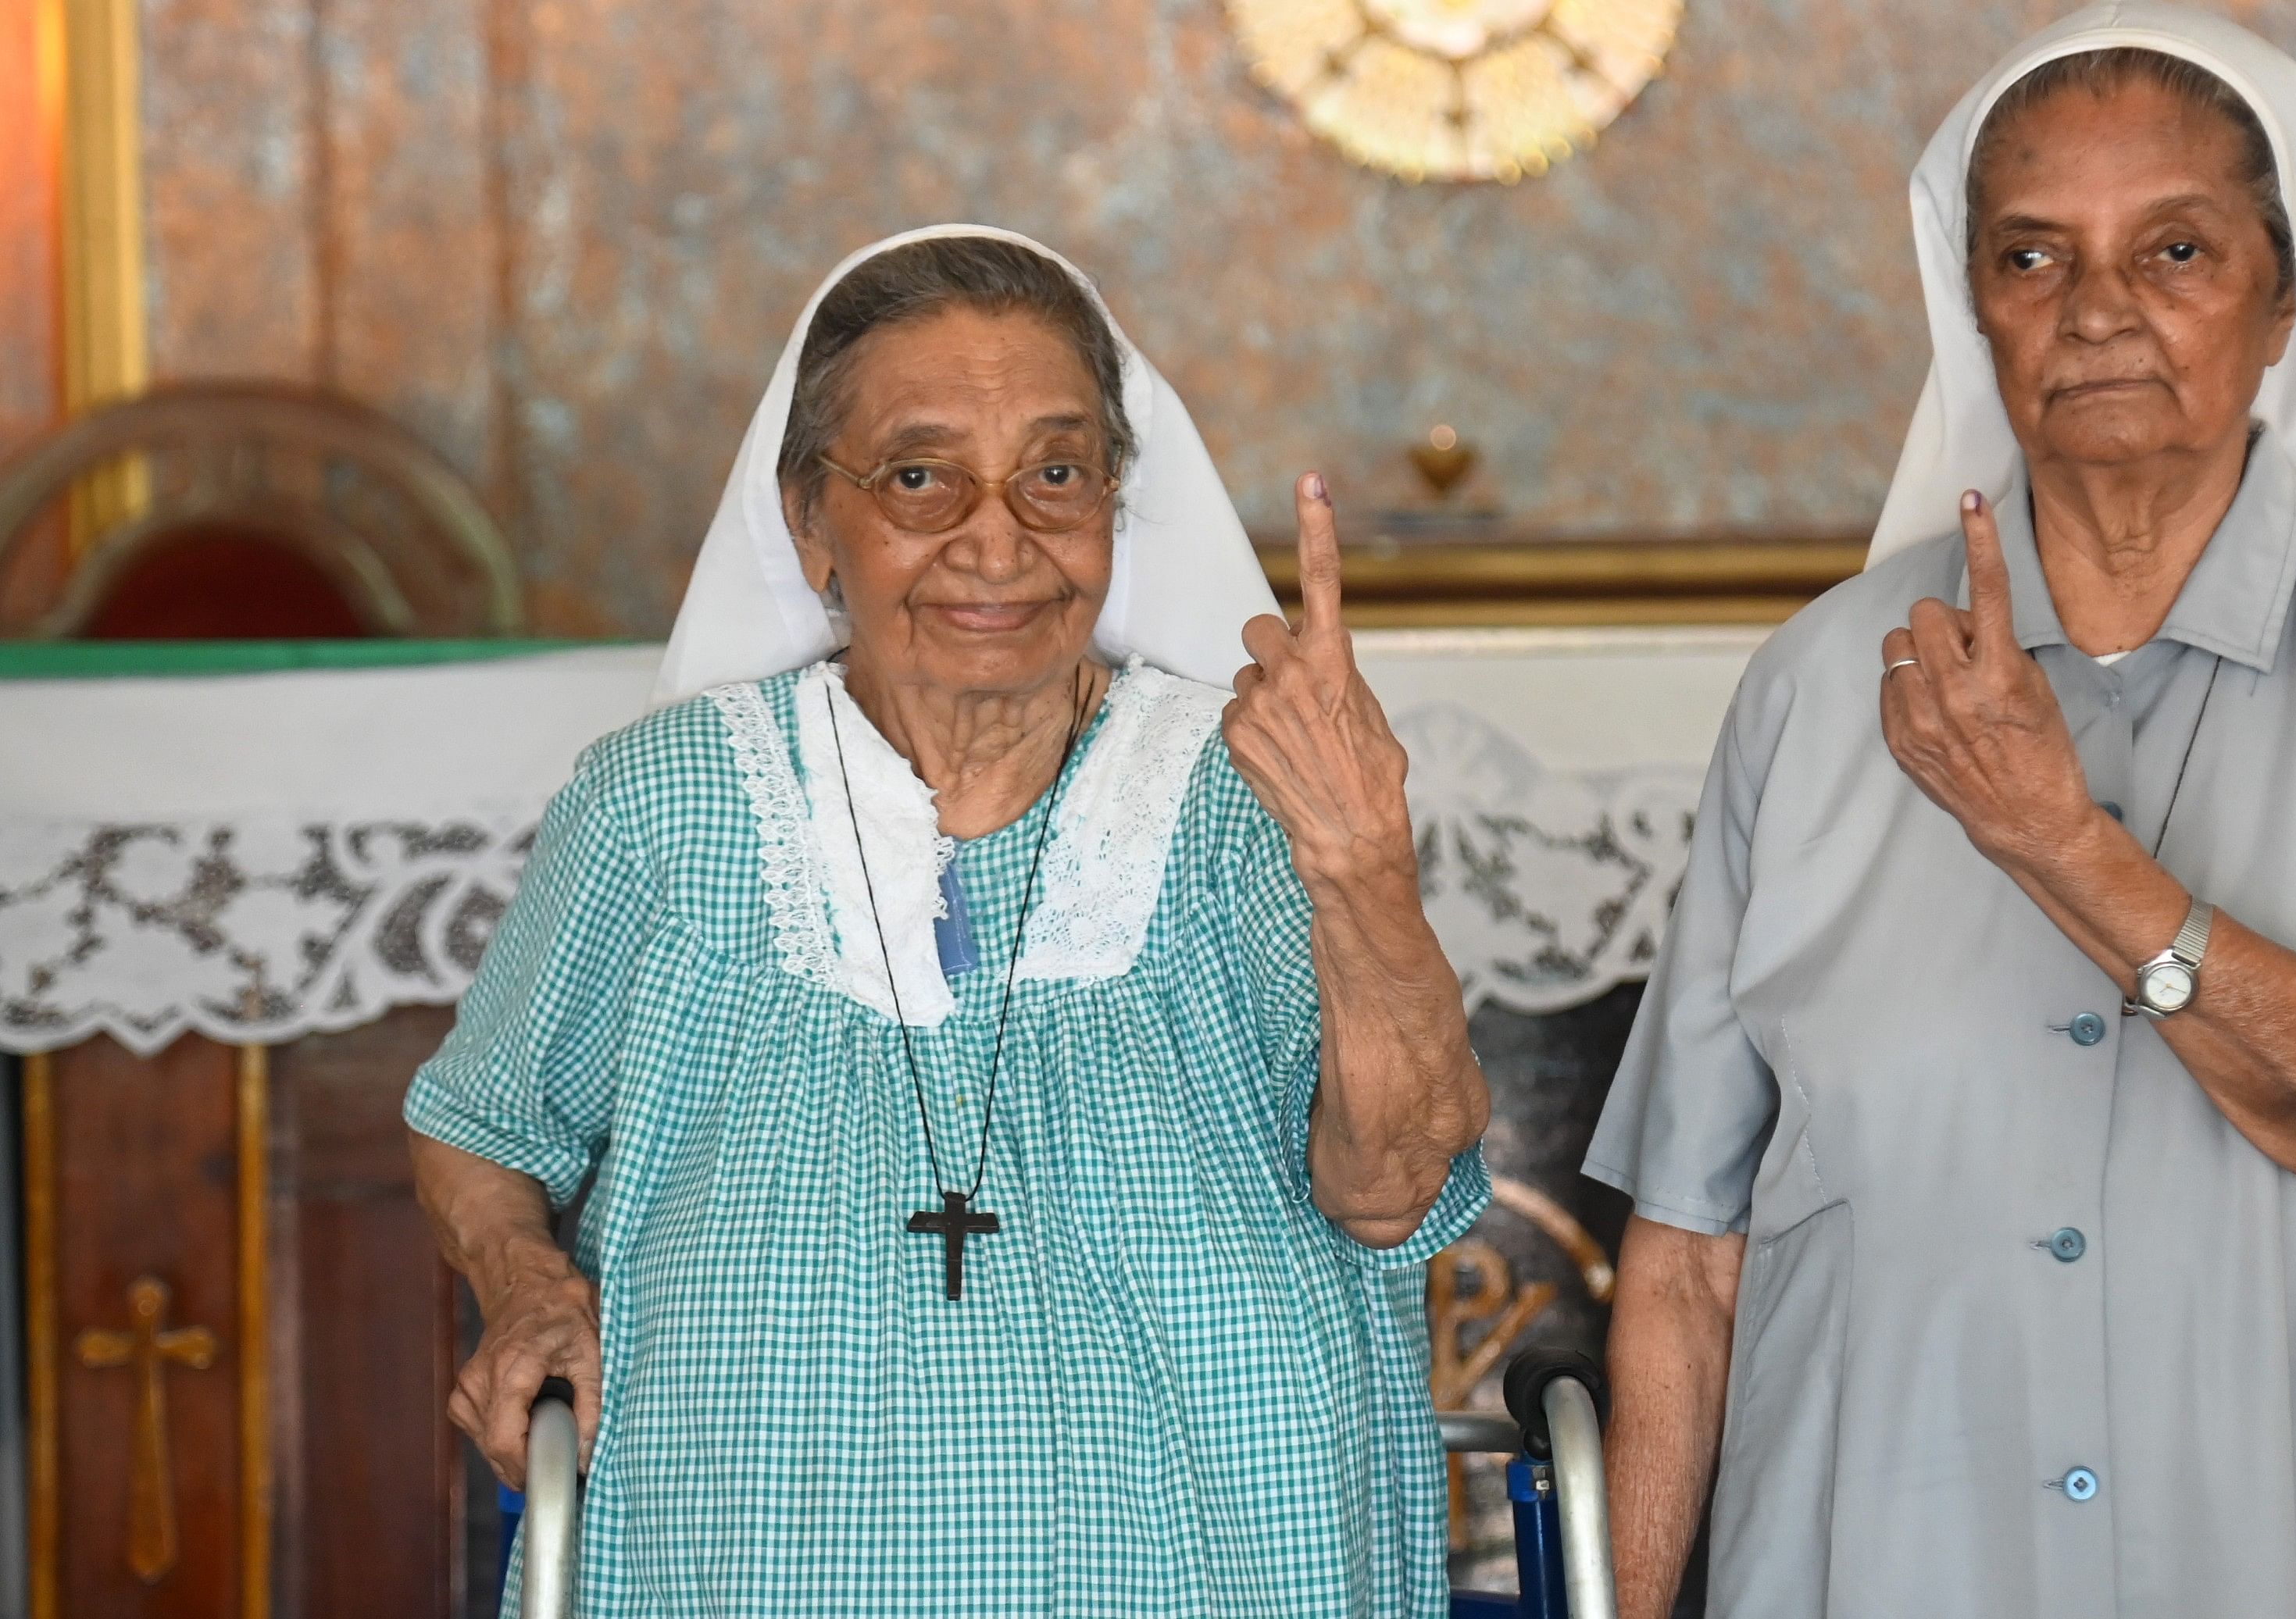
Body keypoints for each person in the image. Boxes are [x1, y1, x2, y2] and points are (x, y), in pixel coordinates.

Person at [1584, 9, 2296, 1617]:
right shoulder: (1819, 678)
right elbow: (1689, 1252)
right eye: (2032, 258)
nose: (2100, 310)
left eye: (2174, 249)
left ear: (2283, 299)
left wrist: (2057, 841)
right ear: (1972, 303)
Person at [405, 225, 1491, 1616]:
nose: (997, 541)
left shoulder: (1247, 785)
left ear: (1114, 503)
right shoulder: (664, 804)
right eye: (921, 479)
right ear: (811, 524)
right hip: (752, 1552)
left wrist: (1359, 856)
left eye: (1055, 474)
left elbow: (1391, 1188)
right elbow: (479, 1129)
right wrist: (525, 1280)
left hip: (1217, 1546)